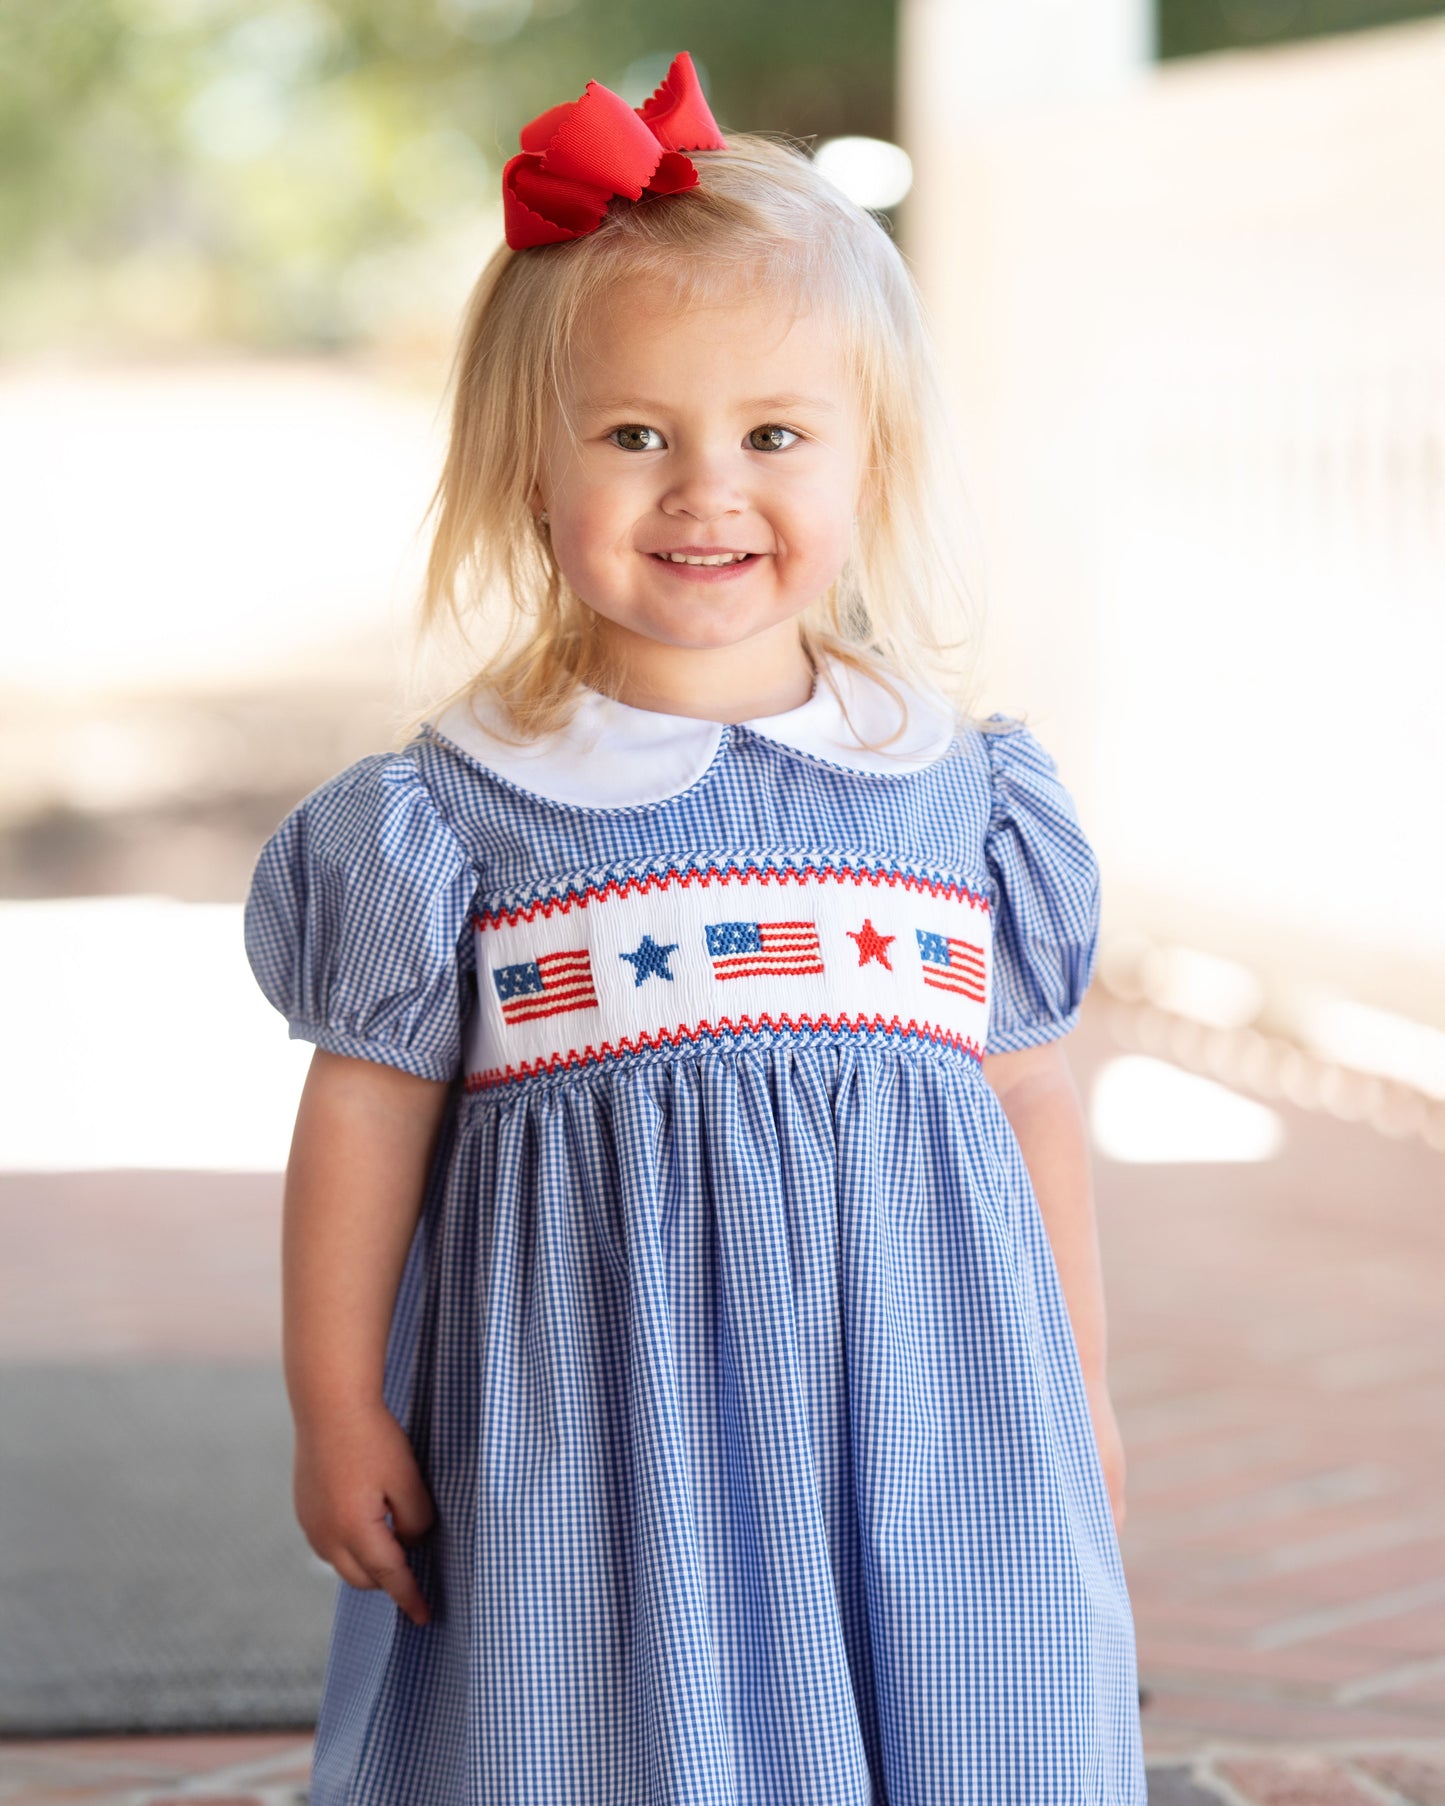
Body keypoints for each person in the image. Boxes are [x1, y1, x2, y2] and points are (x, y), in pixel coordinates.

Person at [245, 51, 1146, 1806]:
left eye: (774, 434)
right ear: (527, 468)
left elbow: (1030, 1099)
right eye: (635, 435)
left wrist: (1079, 1390)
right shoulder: (460, 813)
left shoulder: (957, 793)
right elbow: (362, 1108)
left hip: (933, 1408)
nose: (706, 489)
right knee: (602, 1737)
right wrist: (333, 1399)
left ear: (867, 456)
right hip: (606, 1425)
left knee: (974, 1718)